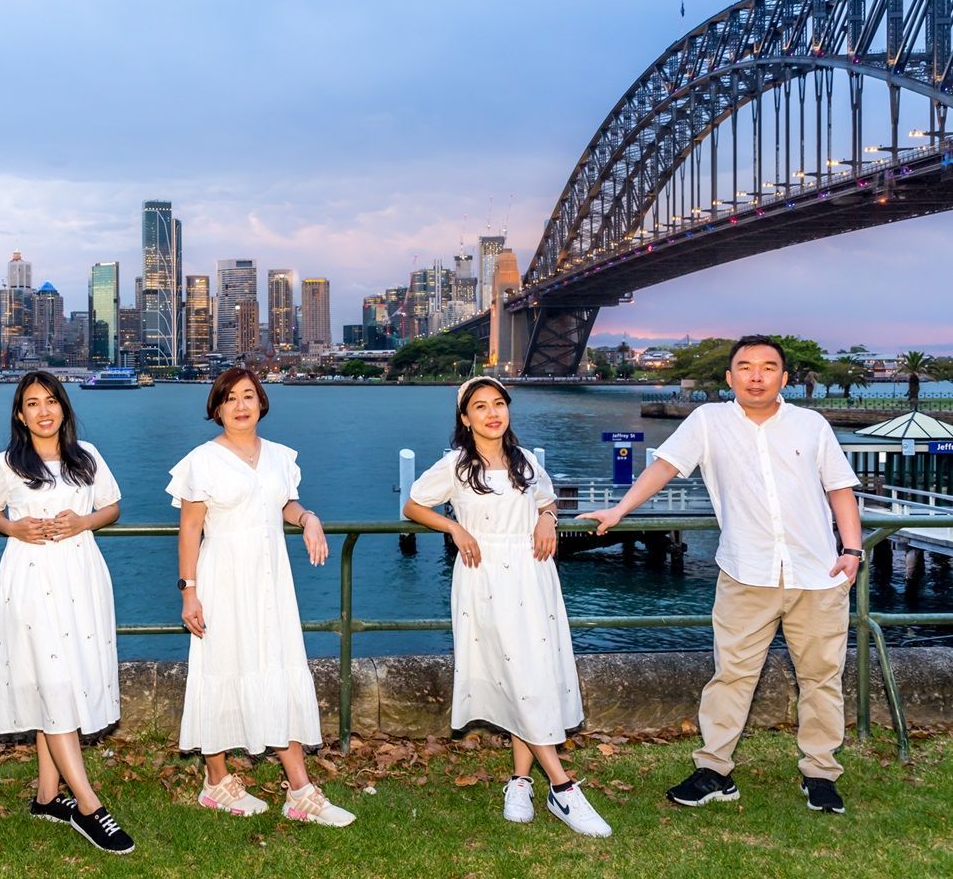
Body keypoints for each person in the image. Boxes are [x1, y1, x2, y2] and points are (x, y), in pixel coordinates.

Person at [581, 335, 862, 814]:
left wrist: (852, 549)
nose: (757, 376)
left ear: (784, 378)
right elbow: (664, 467)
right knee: (732, 676)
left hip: (817, 574)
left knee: (821, 677)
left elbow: (839, 490)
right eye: (746, 367)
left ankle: (820, 773)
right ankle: (715, 770)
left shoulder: (810, 424)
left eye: (768, 367)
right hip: (745, 572)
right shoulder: (708, 421)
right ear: (730, 378)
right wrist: (620, 510)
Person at [402, 377, 612, 838]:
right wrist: (455, 530)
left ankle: (520, 781)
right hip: (484, 574)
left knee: (532, 671)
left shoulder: (527, 460)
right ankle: (562, 785)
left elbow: (548, 499)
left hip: (532, 572)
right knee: (518, 672)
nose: (492, 413)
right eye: (480, 406)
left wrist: (546, 518)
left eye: (499, 404)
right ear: (465, 418)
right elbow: (413, 505)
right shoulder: (456, 464)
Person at [167, 367, 355, 827]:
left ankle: (300, 790)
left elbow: (284, 504)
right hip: (221, 577)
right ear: (216, 408)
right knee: (220, 669)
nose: (241, 405)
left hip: (271, 580)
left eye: (248, 395)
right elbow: (190, 528)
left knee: (277, 667)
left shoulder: (278, 457)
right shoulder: (202, 461)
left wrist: (308, 517)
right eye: (230, 398)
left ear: (261, 402)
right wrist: (189, 592)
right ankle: (216, 782)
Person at [0, 372, 134, 855]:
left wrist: (83, 520)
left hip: (81, 573)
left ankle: (48, 797)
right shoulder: (6, 463)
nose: (43, 411)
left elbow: (112, 506)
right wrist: (15, 528)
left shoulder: (85, 456)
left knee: (66, 675)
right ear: (19, 414)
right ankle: (87, 805)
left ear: (63, 408)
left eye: (51, 401)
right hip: (30, 575)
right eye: (32, 403)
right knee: (53, 678)